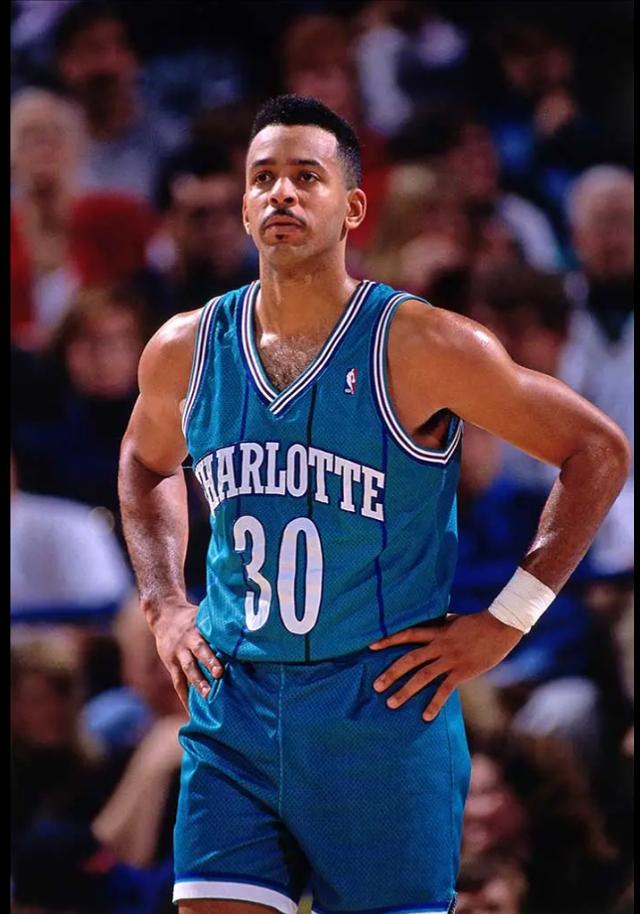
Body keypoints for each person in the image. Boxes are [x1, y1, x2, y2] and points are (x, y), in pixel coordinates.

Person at [118, 95, 630, 913]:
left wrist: (506, 622)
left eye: (306, 176)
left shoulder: (422, 344)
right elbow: (145, 467)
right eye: (263, 178)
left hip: (380, 706)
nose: (282, 193)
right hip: (235, 703)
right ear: (244, 207)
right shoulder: (186, 348)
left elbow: (597, 450)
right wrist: (164, 603)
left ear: (353, 208)